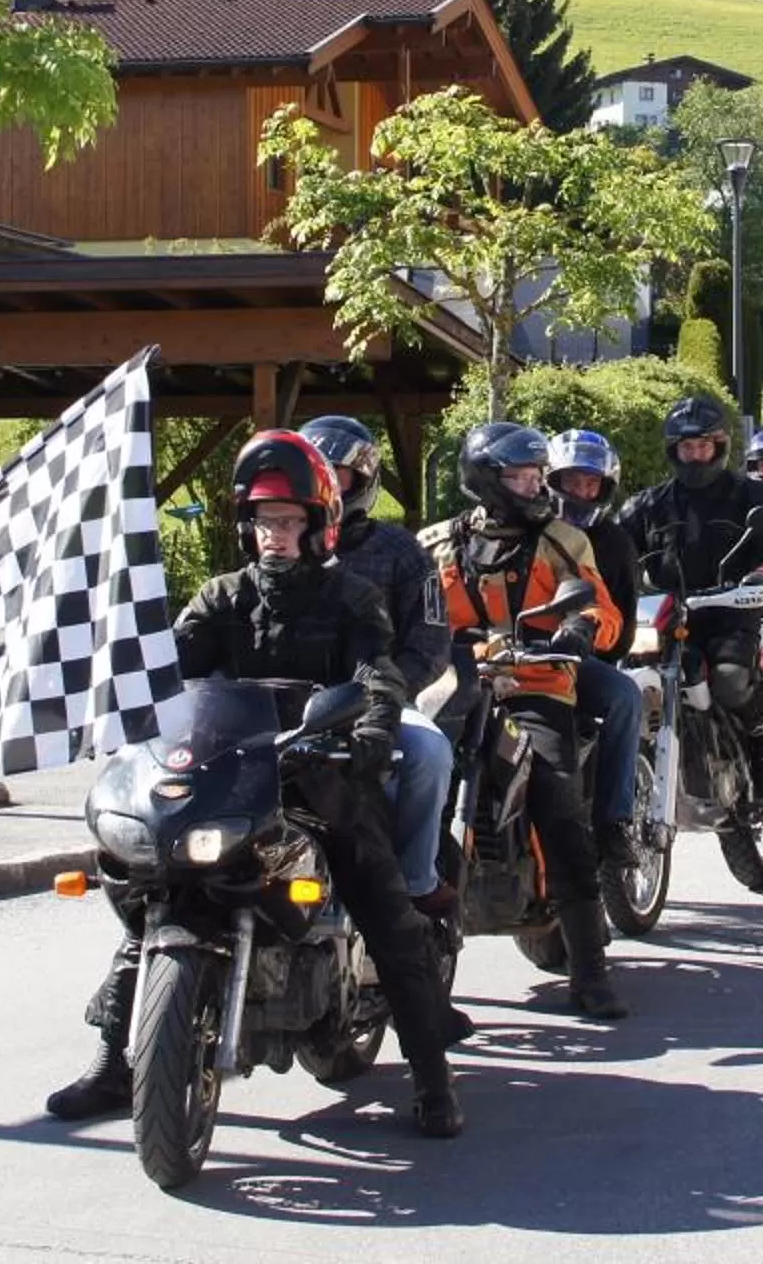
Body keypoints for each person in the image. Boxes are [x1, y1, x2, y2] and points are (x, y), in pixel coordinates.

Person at [48, 430, 464, 1134]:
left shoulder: (353, 597)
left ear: (319, 524)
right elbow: (170, 670)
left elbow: (378, 672)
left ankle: (432, 1080)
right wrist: (127, 700)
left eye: (290, 521)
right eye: (264, 521)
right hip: (235, 772)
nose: (275, 534)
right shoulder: (221, 597)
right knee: (158, 889)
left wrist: (369, 729)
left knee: (386, 911)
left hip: (319, 772)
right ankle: (114, 1062)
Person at [428, 422, 629, 1019]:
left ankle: (590, 968)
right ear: (486, 480)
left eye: (538, 474)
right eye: (521, 475)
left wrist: (581, 628)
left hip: (538, 683)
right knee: (404, 786)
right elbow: (407, 610)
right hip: (457, 687)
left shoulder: (561, 540)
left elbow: (601, 607)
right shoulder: (439, 544)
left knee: (555, 795)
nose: (535, 484)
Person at [302, 415, 458, 916]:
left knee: (430, 752)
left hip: (376, 701)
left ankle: (415, 882)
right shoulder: (276, 544)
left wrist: (386, 695)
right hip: (287, 704)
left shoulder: (401, 550)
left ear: (364, 480)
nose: (325, 482)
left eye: (337, 473)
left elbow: (431, 642)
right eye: (313, 470)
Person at [617, 397, 763, 802]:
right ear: (674, 450)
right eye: (687, 447)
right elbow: (614, 552)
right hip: (666, 616)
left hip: (732, 612)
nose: (695, 455)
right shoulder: (647, 505)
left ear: (718, 447)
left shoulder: (752, 497)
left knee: (731, 679)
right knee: (625, 684)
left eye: (702, 447)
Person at [543, 426, 651, 872]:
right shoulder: (533, 528)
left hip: (578, 656)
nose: (582, 491)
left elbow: (620, 621)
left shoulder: (615, 542)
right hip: (508, 654)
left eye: (591, 483)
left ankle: (613, 819)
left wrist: (585, 640)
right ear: (552, 481)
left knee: (624, 696)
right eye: (573, 481)